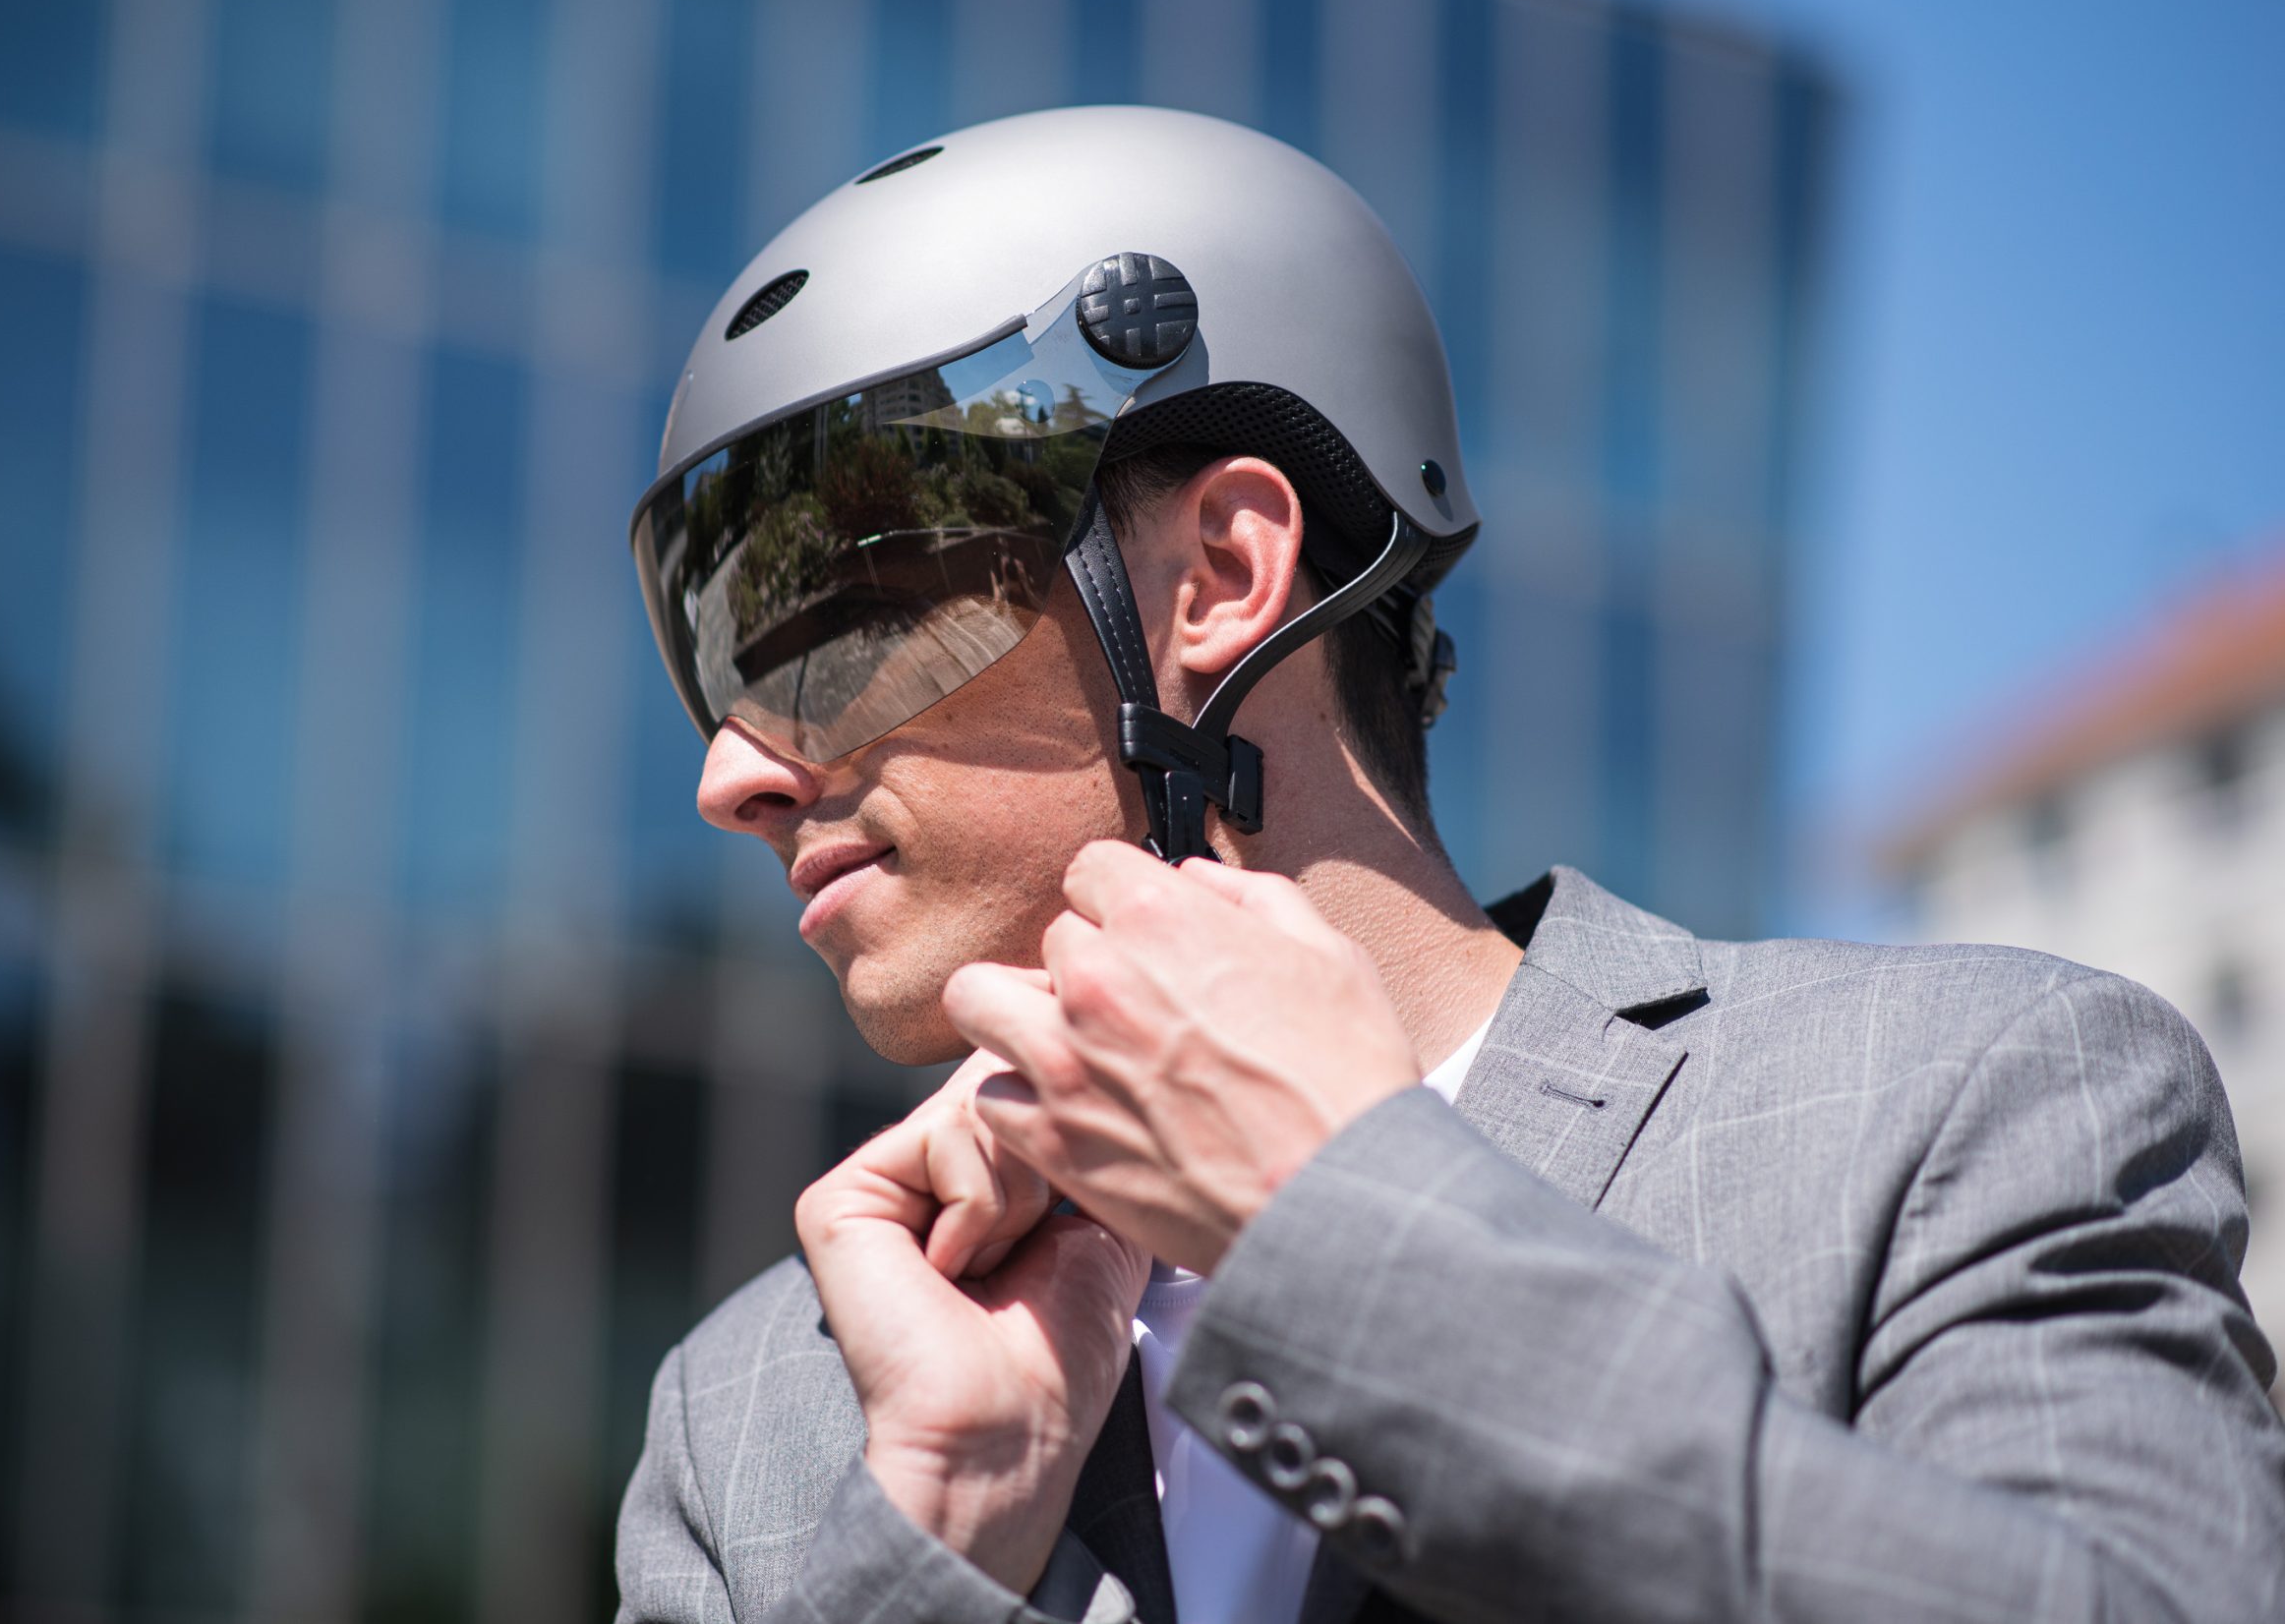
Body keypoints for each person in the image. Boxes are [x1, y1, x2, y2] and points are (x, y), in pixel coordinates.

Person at [613, 106, 2285, 1624]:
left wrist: (1341, 1232)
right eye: (715, 666)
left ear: (1223, 574)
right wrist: (933, 1539)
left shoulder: (1965, 1110)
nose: (730, 774)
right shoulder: (758, 1411)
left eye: (843, 625)